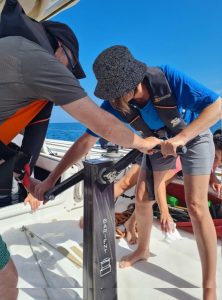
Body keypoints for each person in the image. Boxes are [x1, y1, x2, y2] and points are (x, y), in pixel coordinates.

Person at [0, 15, 160, 299]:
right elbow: (103, 127)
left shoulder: (10, 49)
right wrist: (143, 142)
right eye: (71, 66)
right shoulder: (41, 62)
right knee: (7, 279)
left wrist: (39, 181)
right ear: (60, 48)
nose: (70, 74)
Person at [88, 45, 220, 297]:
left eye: (116, 92)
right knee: (141, 198)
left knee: (195, 205)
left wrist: (181, 138)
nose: (114, 99)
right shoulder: (115, 103)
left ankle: (209, 287)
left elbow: (217, 106)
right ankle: (142, 250)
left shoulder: (168, 76)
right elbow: (87, 138)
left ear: (131, 83)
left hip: (194, 136)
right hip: (158, 143)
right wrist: (52, 178)